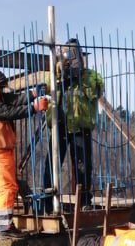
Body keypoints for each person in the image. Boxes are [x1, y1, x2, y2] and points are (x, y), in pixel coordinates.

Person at [0, 68, 48, 239]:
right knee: (8, 189)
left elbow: (13, 100)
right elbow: (8, 112)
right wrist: (33, 108)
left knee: (3, 189)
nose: (1, 91)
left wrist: (32, 93)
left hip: (0, 149)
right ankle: (5, 228)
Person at [43, 38, 104, 213]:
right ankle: (48, 201)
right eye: (66, 56)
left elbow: (96, 91)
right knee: (52, 164)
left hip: (80, 126)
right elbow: (47, 87)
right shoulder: (55, 73)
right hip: (59, 125)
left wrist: (81, 76)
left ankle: (84, 200)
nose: (69, 60)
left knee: (82, 165)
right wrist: (59, 74)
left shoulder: (90, 75)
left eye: (72, 56)